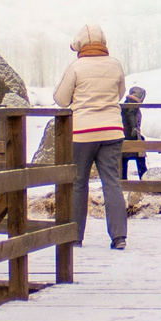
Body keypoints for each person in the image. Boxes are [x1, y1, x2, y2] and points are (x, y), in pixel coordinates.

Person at [52, 22, 129, 249]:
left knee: (78, 184)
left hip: (83, 132)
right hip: (112, 130)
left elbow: (61, 99)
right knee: (111, 183)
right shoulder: (115, 64)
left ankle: (75, 236)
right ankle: (119, 237)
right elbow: (120, 93)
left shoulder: (76, 67)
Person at [120, 87, 148, 179]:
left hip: (125, 135)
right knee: (140, 159)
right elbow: (130, 115)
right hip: (131, 136)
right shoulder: (132, 104)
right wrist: (134, 128)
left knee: (123, 161)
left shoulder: (127, 103)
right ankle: (144, 180)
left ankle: (123, 180)